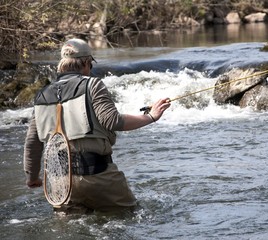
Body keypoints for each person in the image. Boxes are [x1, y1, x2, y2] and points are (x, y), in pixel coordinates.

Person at [23, 38, 171, 213]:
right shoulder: (93, 85)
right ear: (86, 63)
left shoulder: (42, 95)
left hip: (61, 184)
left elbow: (32, 142)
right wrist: (151, 116)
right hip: (98, 175)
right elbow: (113, 120)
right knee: (131, 218)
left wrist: (32, 177)